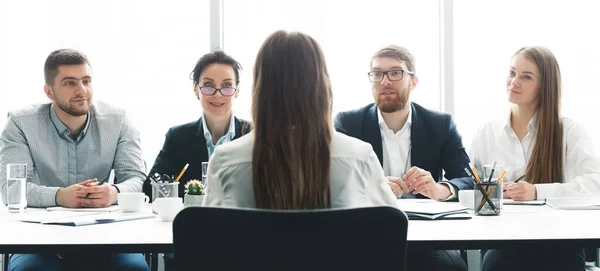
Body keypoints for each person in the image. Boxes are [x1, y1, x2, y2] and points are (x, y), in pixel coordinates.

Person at [202, 30, 396, 209]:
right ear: (322, 87)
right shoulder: (359, 159)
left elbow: (208, 239)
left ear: (260, 90)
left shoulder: (224, 161)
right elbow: (393, 231)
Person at [0, 49, 149, 271]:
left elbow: (136, 177)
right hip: (40, 240)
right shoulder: (21, 123)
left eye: (86, 81)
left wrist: (114, 192)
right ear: (49, 92)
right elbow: (12, 189)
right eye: (70, 83)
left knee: (134, 269)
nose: (82, 90)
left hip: (108, 239)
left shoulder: (118, 120)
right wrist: (60, 196)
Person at [334, 45, 470, 271]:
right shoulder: (348, 123)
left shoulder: (440, 124)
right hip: (367, 233)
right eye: (377, 74)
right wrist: (373, 188)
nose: (385, 81)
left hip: (429, 236)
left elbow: (467, 178)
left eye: (395, 73)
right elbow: (335, 183)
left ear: (413, 81)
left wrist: (441, 189)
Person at [470, 46, 600, 271]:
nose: (514, 81)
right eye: (512, 73)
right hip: (503, 244)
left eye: (526, 77)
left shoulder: (570, 131)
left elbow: (595, 185)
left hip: (560, 244)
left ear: (544, 87)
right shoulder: (486, 132)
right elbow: (471, 184)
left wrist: (537, 192)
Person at [143, 50, 251, 199]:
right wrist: (194, 193)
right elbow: (150, 186)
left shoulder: (253, 134)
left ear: (237, 90)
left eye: (227, 85)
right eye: (208, 85)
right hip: (193, 218)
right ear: (195, 89)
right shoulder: (177, 137)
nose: (218, 94)